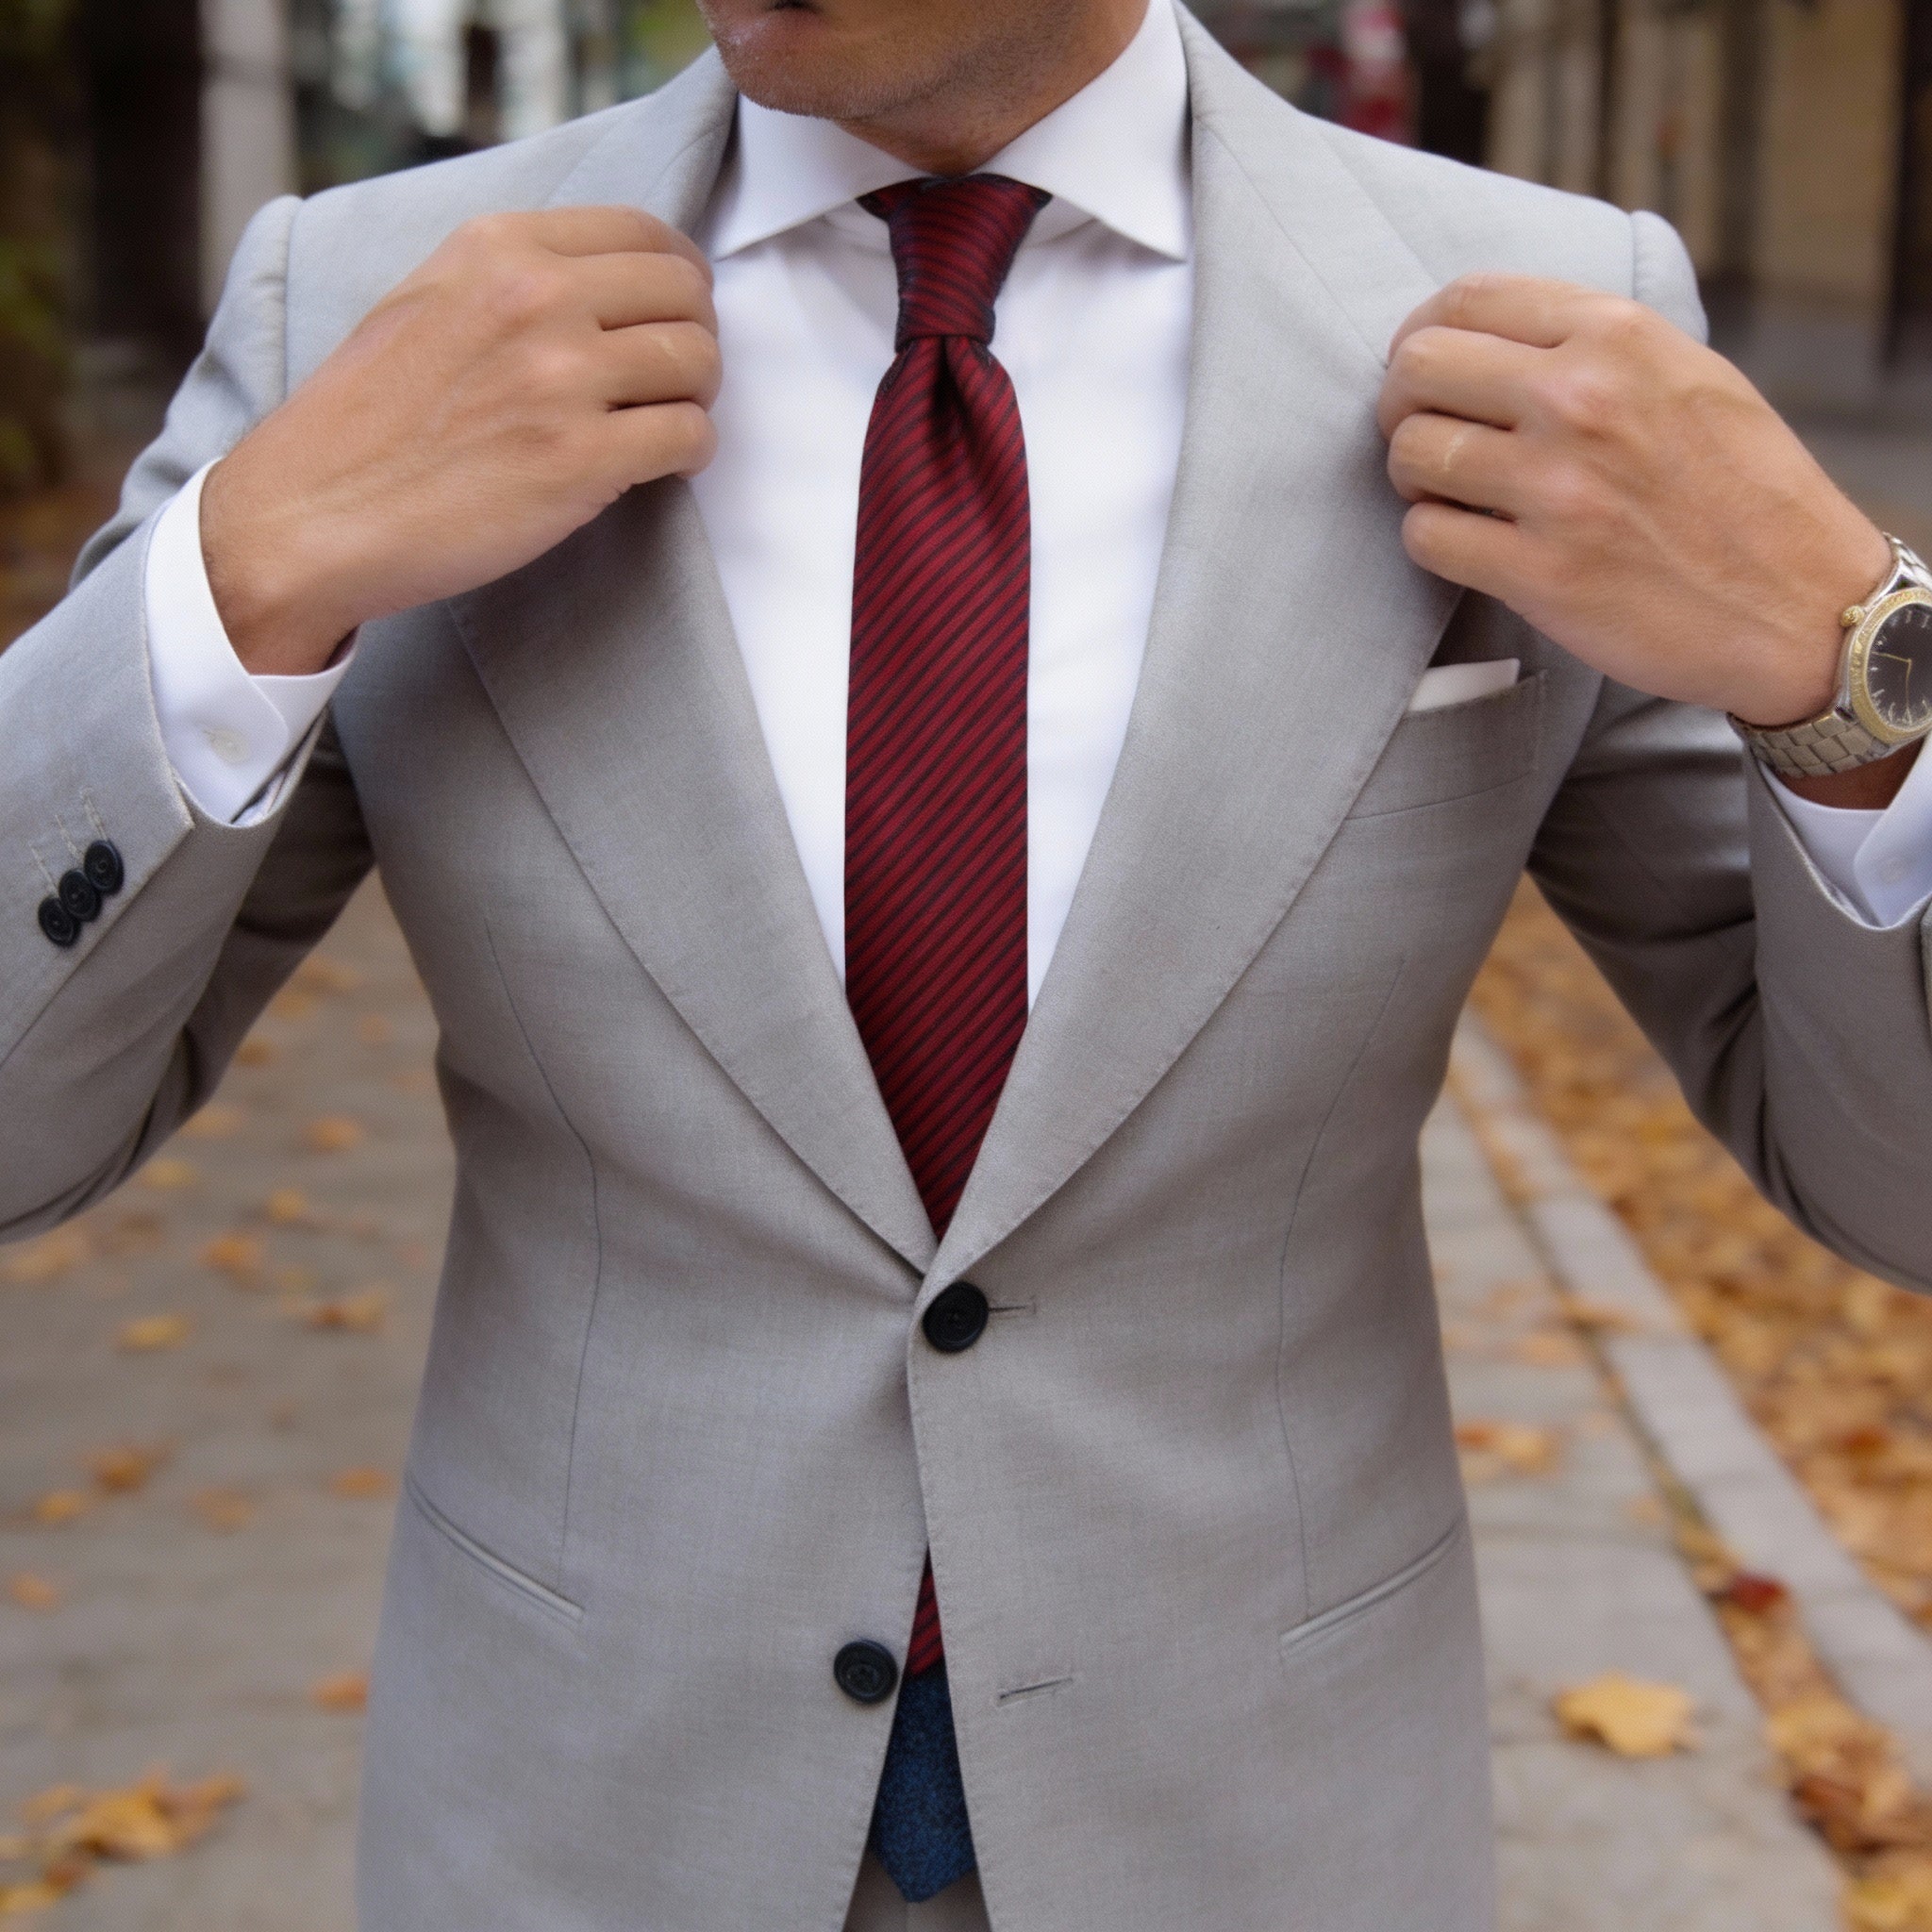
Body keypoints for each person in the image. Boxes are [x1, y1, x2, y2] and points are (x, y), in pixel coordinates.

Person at [5, 0, 1932, 1925]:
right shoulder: (368, 305)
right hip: (581, 1822)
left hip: (1265, 1826)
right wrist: (243, 578)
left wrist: (1855, 665)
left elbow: (1898, 1183)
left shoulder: (1548, 320)